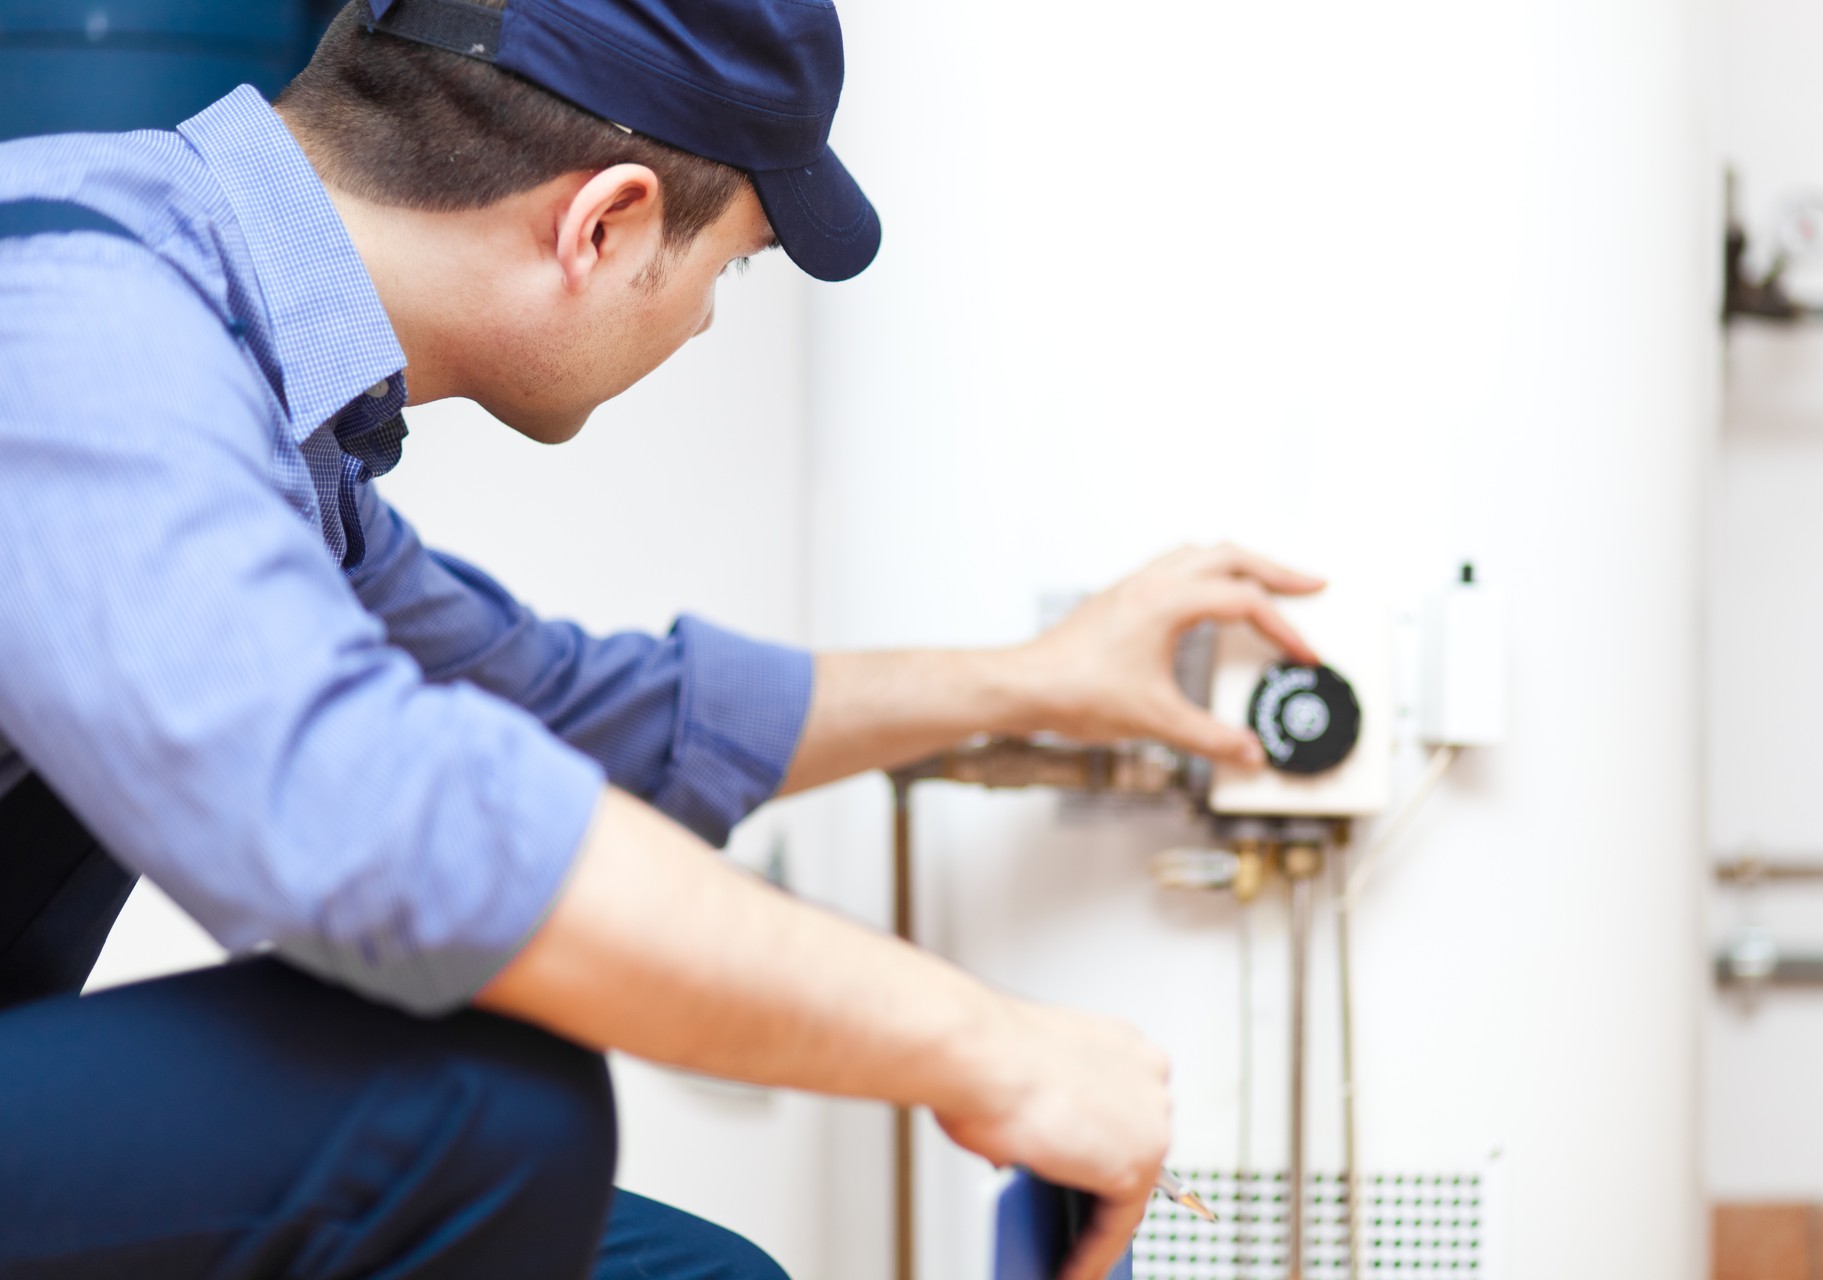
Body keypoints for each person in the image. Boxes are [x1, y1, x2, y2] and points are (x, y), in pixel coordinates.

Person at [0, 1, 1322, 1276]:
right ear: (608, 222)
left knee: (684, 1272)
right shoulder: (82, 322)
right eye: (731, 265)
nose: (701, 317)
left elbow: (565, 712)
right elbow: (383, 825)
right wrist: (986, 1044)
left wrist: (1035, 685)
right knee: (480, 1103)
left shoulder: (253, 381)